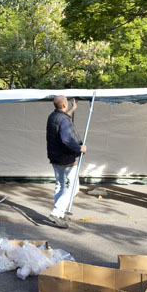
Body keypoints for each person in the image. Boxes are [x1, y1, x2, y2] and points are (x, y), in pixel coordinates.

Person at [46, 95, 86, 229]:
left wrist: (73, 109)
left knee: (60, 185)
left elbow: (62, 120)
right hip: (66, 158)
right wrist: (80, 148)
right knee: (73, 188)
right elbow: (66, 140)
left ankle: (60, 213)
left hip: (55, 157)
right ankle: (56, 213)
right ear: (64, 105)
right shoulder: (63, 120)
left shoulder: (52, 116)